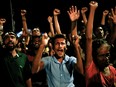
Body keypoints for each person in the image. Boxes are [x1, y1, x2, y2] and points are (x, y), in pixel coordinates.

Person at [85, 1, 116, 87]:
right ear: (94, 56)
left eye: (107, 55)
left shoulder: (113, 70)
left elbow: (111, 40)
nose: (106, 58)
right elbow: (88, 38)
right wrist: (92, 10)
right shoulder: (91, 68)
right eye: (102, 55)